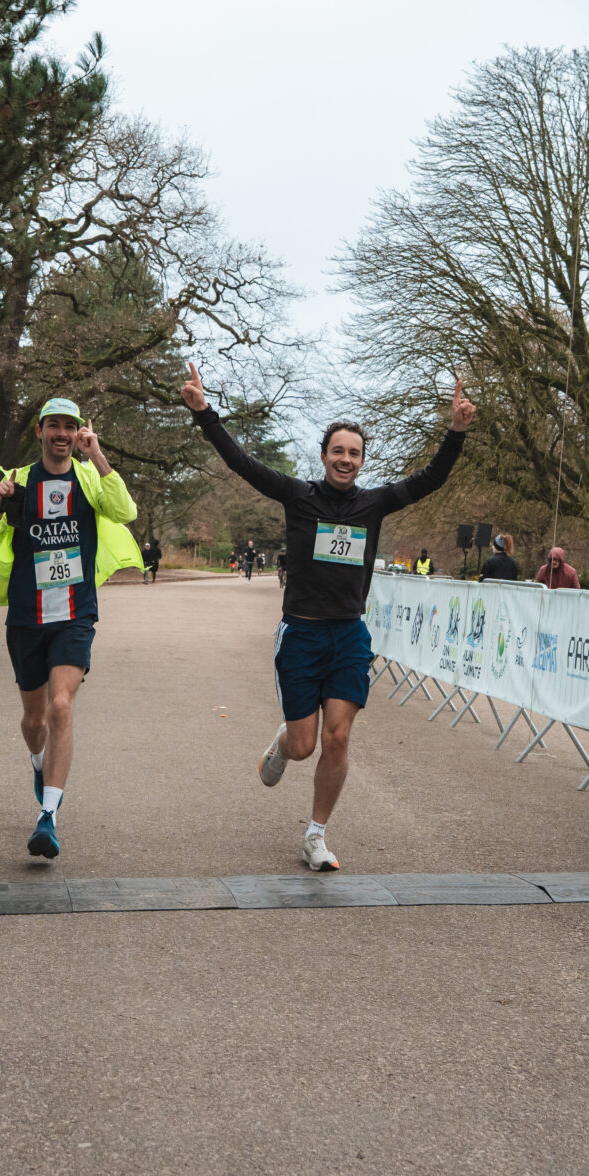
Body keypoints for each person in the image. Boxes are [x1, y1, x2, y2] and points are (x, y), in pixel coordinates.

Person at [183, 362, 474, 872]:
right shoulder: (299, 496)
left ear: (362, 461)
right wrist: (205, 412)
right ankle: (281, 745)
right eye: (338, 451)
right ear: (323, 456)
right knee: (304, 746)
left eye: (354, 453)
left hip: (349, 635)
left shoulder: (374, 503)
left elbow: (431, 479)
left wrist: (455, 432)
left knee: (338, 737)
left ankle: (316, 835)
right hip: (301, 633)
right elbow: (242, 463)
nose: (345, 459)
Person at [0, 396, 142, 861]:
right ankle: (37, 760)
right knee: (35, 721)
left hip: (75, 613)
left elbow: (126, 512)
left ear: (77, 431)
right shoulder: (18, 482)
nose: (62, 433)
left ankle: (48, 817)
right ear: (40, 432)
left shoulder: (88, 478)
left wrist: (98, 455)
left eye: (70, 426)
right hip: (26, 616)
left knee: (61, 706)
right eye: (54, 425)